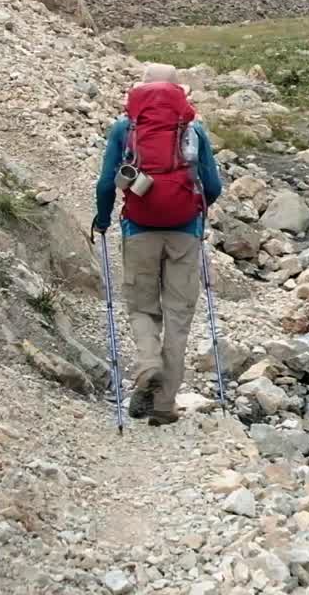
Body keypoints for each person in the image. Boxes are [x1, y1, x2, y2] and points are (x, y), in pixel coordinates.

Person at [93, 63, 222, 426]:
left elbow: (106, 183)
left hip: (138, 230)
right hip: (185, 232)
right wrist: (196, 212)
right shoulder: (193, 131)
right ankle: (165, 406)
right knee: (179, 318)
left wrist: (103, 220)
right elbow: (213, 186)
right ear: (178, 92)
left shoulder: (125, 128)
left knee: (142, 307)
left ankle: (148, 365)